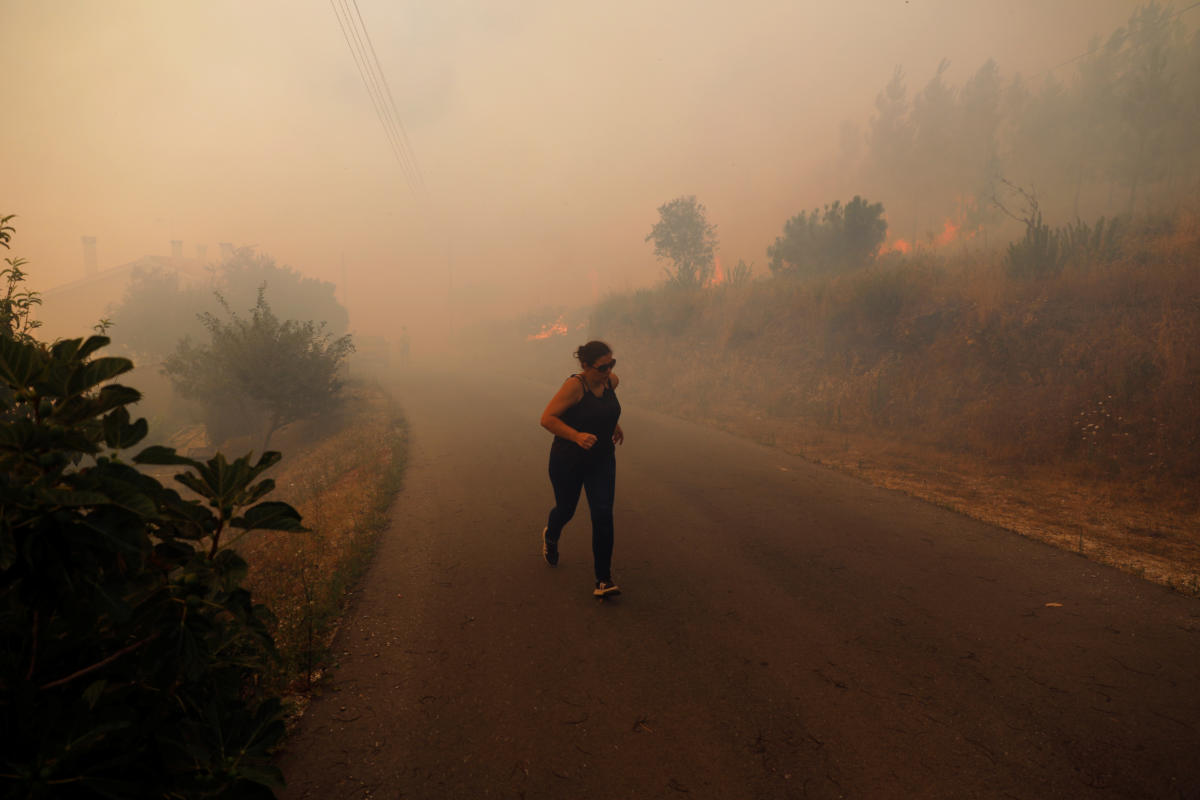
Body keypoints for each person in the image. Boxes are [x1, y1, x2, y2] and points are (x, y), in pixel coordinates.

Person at [539, 340, 624, 597]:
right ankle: (551, 535)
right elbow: (547, 419)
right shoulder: (575, 387)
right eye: (602, 367)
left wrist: (613, 425)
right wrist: (575, 436)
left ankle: (603, 580)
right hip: (569, 460)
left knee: (602, 513)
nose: (608, 371)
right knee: (566, 509)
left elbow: (607, 409)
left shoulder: (611, 381)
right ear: (585, 366)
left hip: (601, 460)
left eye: (612, 364)